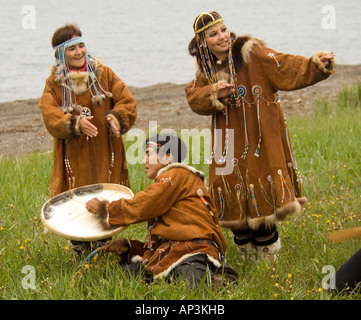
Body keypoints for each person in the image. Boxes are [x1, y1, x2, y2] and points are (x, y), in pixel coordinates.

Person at [185, 11, 336, 261]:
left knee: (261, 188)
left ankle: (267, 262)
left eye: (223, 29)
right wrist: (214, 93)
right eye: (213, 34)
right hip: (228, 142)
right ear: (204, 42)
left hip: (260, 137)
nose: (222, 36)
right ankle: (246, 257)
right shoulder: (207, 69)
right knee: (232, 193)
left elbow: (285, 66)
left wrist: (315, 64)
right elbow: (194, 97)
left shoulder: (250, 52)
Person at [86, 134, 236, 287]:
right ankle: (176, 278)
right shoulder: (172, 184)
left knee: (190, 280)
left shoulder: (177, 174)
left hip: (194, 250)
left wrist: (106, 209)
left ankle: (217, 279)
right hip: (170, 253)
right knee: (121, 275)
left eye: (148, 153)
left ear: (168, 157)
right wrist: (130, 247)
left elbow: (146, 203)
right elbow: (164, 237)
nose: (144, 160)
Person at [39, 24, 137, 254]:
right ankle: (80, 247)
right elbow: (49, 112)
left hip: (106, 148)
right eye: (72, 48)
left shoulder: (105, 74)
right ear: (61, 54)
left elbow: (127, 100)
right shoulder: (54, 83)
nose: (79, 52)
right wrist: (73, 123)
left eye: (81, 45)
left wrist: (116, 117)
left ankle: (105, 246)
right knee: (77, 195)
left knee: (105, 191)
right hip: (74, 154)